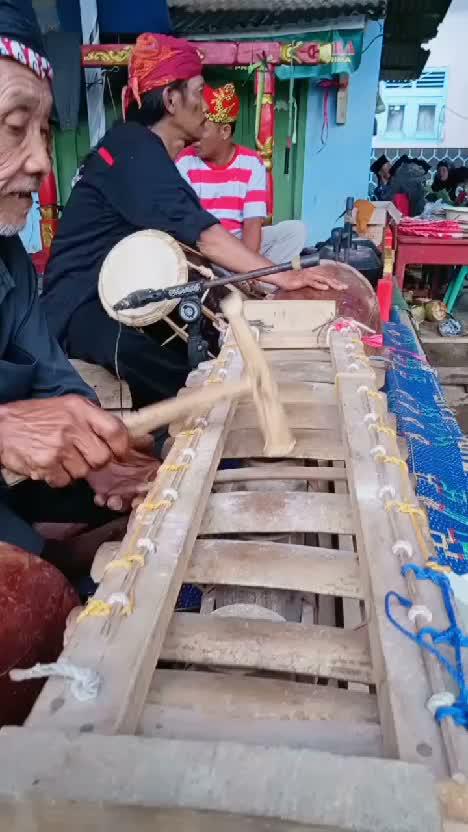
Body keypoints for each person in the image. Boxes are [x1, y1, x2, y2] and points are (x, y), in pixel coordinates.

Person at [0, 0, 159, 725]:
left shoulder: (11, 265)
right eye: (13, 128)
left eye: (43, 131)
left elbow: (54, 381)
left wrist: (104, 448)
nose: (38, 159)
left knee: (109, 487)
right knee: (24, 610)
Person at [42, 33, 345, 410]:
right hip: (77, 308)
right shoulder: (135, 151)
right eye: (199, 92)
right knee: (179, 376)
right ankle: (205, 433)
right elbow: (207, 239)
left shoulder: (135, 147)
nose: (205, 105)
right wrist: (284, 274)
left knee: (196, 340)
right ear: (171, 99)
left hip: (113, 298)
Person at [176, 83, 307, 262]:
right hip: (203, 246)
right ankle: (256, 278)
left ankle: (250, 278)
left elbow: (252, 222)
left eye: (203, 129)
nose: (194, 137)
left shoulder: (252, 163)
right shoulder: (185, 161)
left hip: (239, 242)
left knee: (295, 231)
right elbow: (187, 223)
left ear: (225, 131)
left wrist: (246, 264)